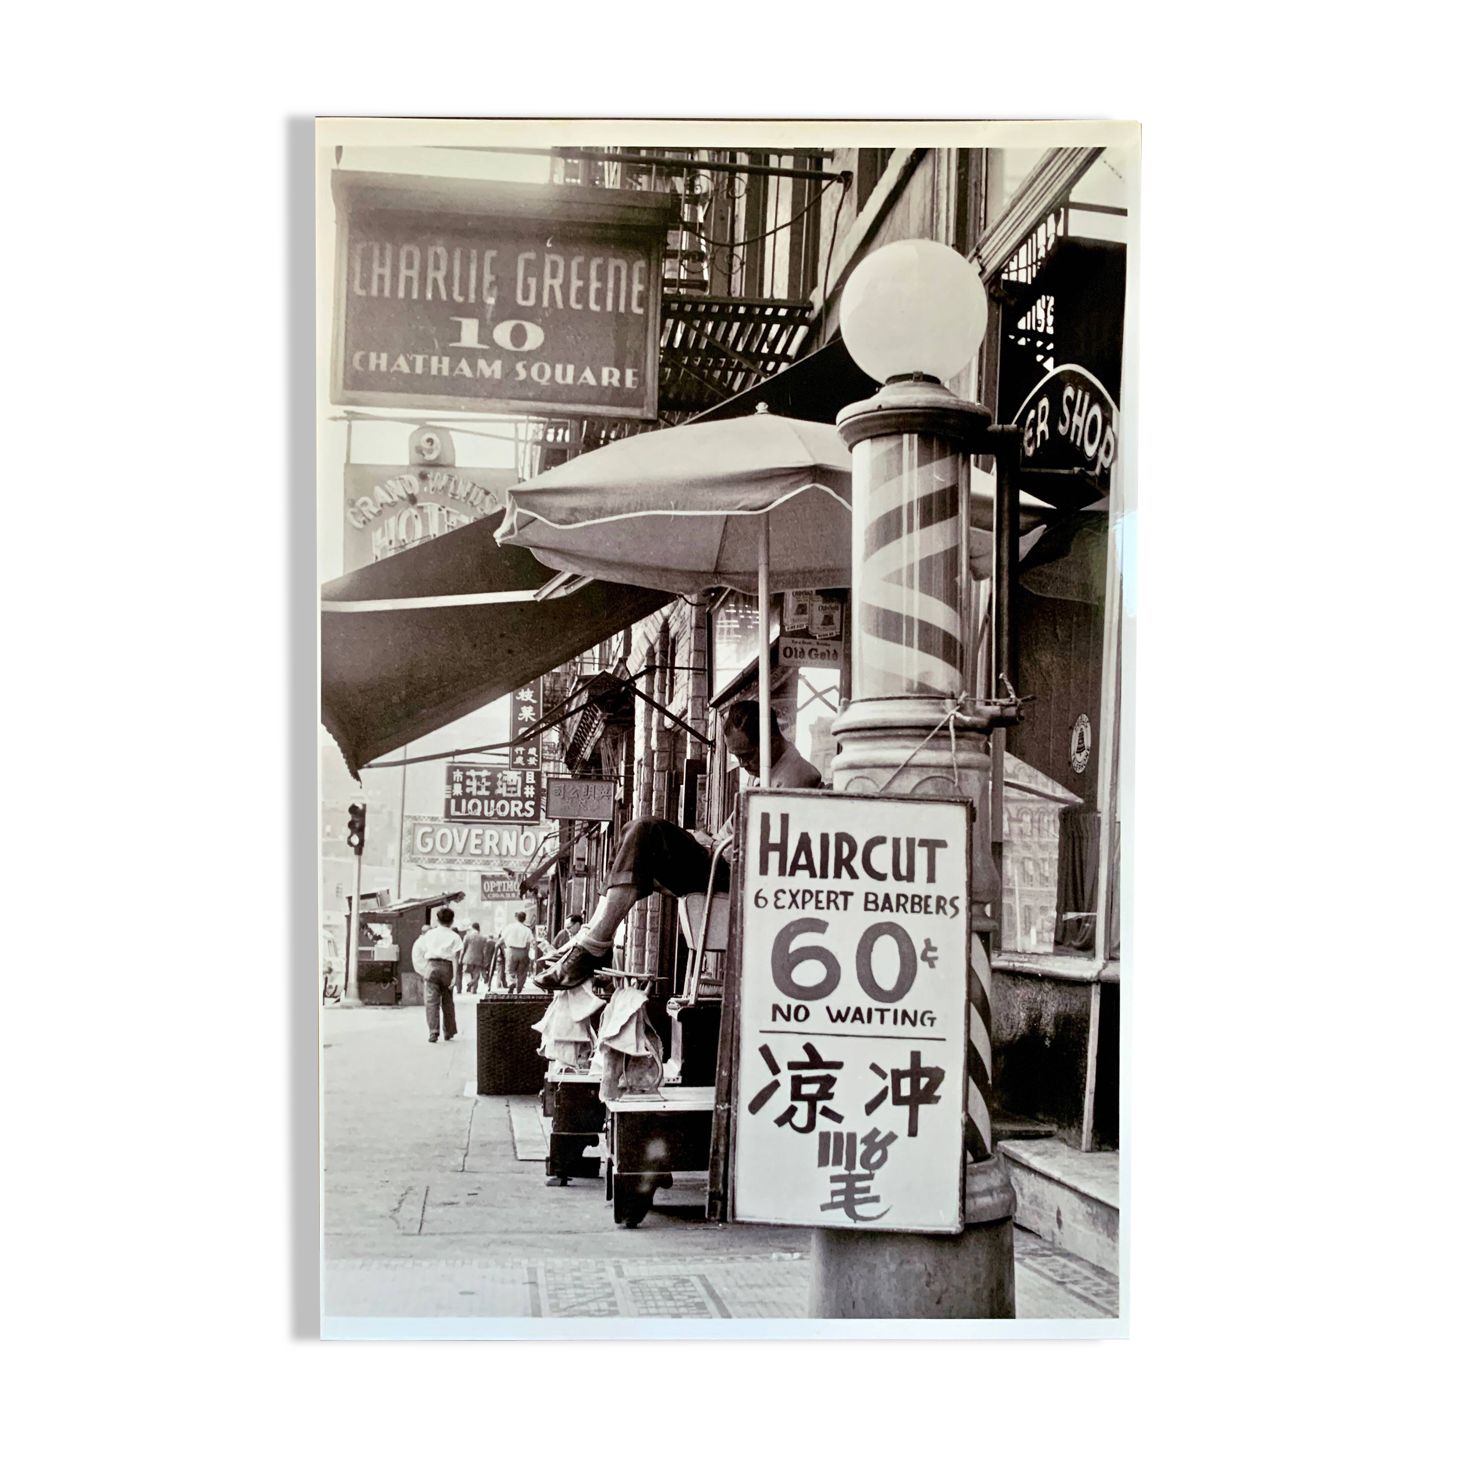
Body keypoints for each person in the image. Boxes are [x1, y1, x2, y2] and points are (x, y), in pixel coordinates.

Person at [540, 701, 821, 991]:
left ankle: (592, 944)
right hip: (720, 860)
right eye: (737, 757)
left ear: (771, 740)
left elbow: (755, 851)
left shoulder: (795, 778)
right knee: (632, 836)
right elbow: (727, 833)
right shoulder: (766, 770)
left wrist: (711, 840)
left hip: (735, 875)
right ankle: (592, 938)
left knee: (644, 830)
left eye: (746, 755)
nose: (744, 764)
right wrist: (711, 839)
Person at [416, 906, 462, 1043]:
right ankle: (449, 1031)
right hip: (447, 968)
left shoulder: (429, 934)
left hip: (431, 966)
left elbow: (422, 951)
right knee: (447, 1001)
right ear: (452, 921)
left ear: (437, 920)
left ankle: (433, 1032)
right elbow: (455, 958)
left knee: (431, 1002)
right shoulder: (455, 936)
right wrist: (455, 977)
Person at [499, 911, 535, 994]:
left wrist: (499, 945)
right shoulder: (527, 930)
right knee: (522, 972)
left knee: (509, 970)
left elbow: (502, 939)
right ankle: (519, 988)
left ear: (516, 918)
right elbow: (529, 943)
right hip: (523, 951)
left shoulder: (509, 927)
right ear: (524, 919)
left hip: (511, 951)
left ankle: (511, 983)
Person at [461, 922, 490, 993]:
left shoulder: (467, 936)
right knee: (476, 974)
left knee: (466, 972)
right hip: (479, 959)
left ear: (472, 928)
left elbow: (463, 948)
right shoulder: (483, 938)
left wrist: (461, 958)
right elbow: (485, 951)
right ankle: (474, 989)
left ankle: (469, 982)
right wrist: (485, 960)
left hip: (468, 958)